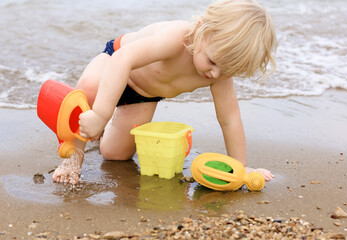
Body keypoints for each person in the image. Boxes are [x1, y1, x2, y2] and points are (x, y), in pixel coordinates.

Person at [52, 0, 277, 184]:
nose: (216, 74)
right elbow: (123, 59)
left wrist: (240, 165)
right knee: (90, 88)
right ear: (202, 30)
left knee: (115, 154)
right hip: (116, 66)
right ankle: (74, 158)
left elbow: (229, 119)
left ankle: (103, 124)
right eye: (213, 62)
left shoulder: (219, 72)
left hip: (144, 96)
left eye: (228, 70)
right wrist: (101, 113)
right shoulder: (178, 37)